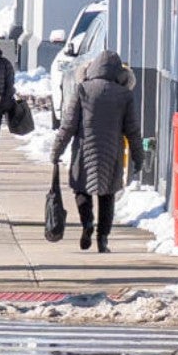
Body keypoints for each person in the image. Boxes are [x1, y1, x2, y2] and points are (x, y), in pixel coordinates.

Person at [52, 50, 143, 253]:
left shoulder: (82, 89)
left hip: (85, 150)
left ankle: (87, 224)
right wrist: (138, 155)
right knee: (107, 195)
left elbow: (68, 125)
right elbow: (133, 130)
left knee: (81, 189)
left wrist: (57, 149)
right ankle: (103, 239)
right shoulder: (125, 95)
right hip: (112, 152)